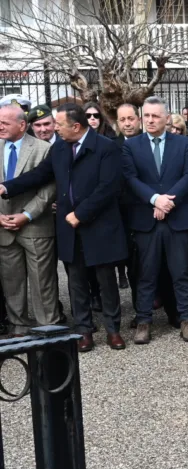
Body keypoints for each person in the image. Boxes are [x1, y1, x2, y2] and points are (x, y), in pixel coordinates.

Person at [0, 103, 128, 351]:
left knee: (106, 281)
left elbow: (109, 187)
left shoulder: (106, 147)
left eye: (58, 125)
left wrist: (80, 213)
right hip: (70, 228)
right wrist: (8, 187)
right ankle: (84, 331)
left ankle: (113, 330)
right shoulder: (59, 149)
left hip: (99, 225)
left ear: (76, 126)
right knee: (76, 281)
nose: (54, 129)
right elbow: (39, 175)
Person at [122, 96, 188, 344]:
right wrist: (155, 199)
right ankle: (143, 321)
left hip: (177, 218)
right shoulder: (131, 146)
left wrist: (168, 201)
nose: (151, 120)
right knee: (146, 273)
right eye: (147, 116)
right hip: (147, 219)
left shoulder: (183, 143)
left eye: (156, 116)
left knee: (182, 272)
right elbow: (130, 178)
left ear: (167, 118)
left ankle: (187, 320)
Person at [0, 104, 60, 336]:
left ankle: (49, 328)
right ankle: (19, 327)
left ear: (22, 124)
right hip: (4, 227)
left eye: (5, 122)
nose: (0, 126)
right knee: (11, 282)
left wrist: (26, 215)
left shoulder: (44, 149)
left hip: (34, 225)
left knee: (42, 283)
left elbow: (49, 188)